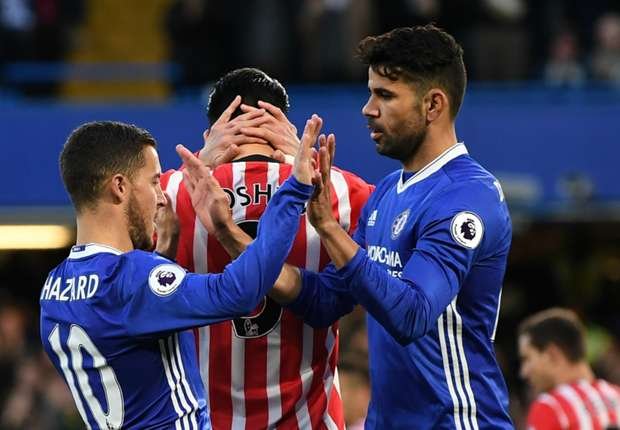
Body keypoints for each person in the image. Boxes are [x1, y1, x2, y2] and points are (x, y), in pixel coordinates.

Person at [252, 24, 513, 428]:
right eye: (371, 92)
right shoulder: (389, 191)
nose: (368, 108)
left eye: (385, 95)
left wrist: (330, 229)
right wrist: (236, 242)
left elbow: (412, 315)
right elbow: (327, 299)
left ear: (433, 105)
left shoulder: (467, 198)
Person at [39, 118, 324, 429]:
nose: (162, 196)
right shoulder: (130, 279)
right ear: (119, 187)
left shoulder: (54, 290)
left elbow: (127, 326)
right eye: (154, 182)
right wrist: (295, 189)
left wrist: (164, 254)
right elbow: (238, 292)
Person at [161, 67, 373, 429]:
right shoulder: (342, 193)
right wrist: (307, 163)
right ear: (285, 129)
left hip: (204, 420)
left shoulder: (170, 194)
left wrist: (198, 160)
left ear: (212, 133)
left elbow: (115, 269)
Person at [518, 308, 620, 430]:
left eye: (527, 359)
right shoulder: (616, 395)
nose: (524, 372)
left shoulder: (550, 408)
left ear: (552, 354)